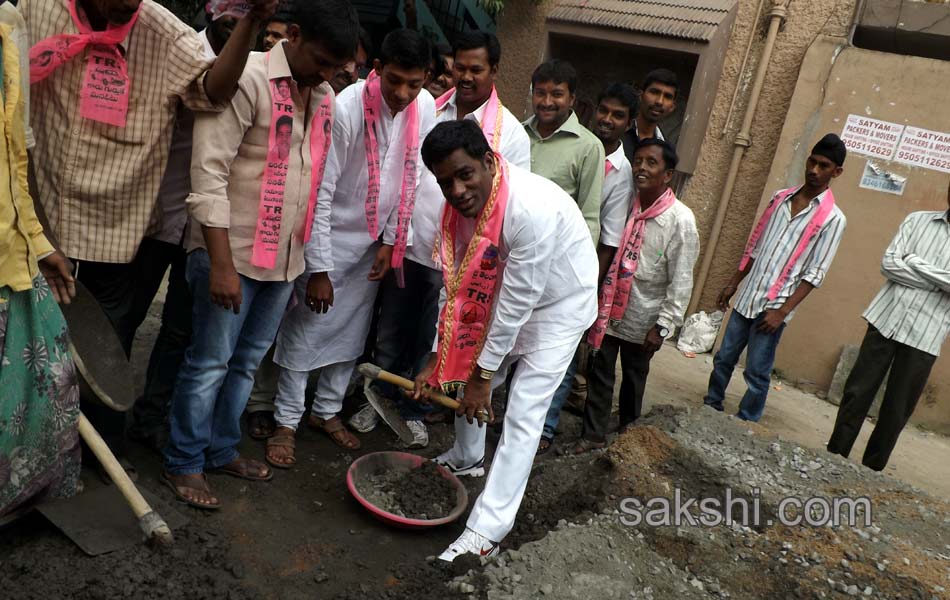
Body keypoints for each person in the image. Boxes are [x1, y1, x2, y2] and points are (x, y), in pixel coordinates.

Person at [20, 0, 278, 462]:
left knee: (107, 340)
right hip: (38, 206)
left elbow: (214, 92)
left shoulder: (163, 32)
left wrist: (255, 21)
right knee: (26, 333)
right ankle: (30, 440)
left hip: (115, 220)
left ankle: (96, 453)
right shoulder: (36, 8)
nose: (127, 8)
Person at [162, 0, 359, 509]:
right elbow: (209, 175)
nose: (329, 74)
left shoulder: (324, 97)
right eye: (323, 60)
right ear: (292, 35)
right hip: (229, 256)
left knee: (246, 364)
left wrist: (312, 264)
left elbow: (312, 184)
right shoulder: (245, 79)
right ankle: (183, 462)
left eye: (338, 67)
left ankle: (221, 450)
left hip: (283, 262)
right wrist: (221, 265)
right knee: (209, 362)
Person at [412, 120, 597, 561]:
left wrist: (483, 374)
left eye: (465, 174)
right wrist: (440, 357)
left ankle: (487, 531)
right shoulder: (457, 213)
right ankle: (466, 456)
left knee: (522, 413)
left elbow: (519, 302)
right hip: (504, 298)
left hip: (559, 306)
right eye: (445, 182)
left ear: (489, 162)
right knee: (461, 375)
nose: (456, 190)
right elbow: (454, 287)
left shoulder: (528, 210)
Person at [348, 31, 531, 448]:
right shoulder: (429, 108)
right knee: (392, 330)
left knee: (437, 340)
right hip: (414, 244)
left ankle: (415, 410)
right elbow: (407, 174)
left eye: (476, 69)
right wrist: (395, 235)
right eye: (459, 68)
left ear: (494, 71)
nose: (465, 77)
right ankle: (377, 398)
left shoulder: (510, 135)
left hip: (463, 262)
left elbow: (508, 197)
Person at [266, 29, 436, 465]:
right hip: (327, 236)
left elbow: (411, 180)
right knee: (306, 329)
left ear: (426, 79)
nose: (402, 93)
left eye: (413, 83)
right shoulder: (345, 107)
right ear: (376, 69)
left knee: (352, 331)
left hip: (374, 242)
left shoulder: (425, 107)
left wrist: (392, 241)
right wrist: (319, 268)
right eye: (394, 80)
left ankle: (326, 411)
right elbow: (320, 188)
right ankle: (286, 420)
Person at [127, 9, 236, 453]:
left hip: (202, 226)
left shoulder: (249, 65)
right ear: (213, 8)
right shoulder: (175, 50)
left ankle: (150, 419)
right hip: (153, 213)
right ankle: (97, 419)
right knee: (126, 317)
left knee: (179, 328)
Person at [704, 134, 848, 422]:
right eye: (813, 162)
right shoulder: (780, 199)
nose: (814, 170)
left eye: (824, 166)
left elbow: (814, 274)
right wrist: (733, 283)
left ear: (836, 172)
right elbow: (755, 247)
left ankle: (747, 420)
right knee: (723, 358)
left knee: (756, 371)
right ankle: (711, 406)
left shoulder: (833, 219)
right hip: (748, 297)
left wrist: (782, 311)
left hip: (775, 307)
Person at [0, 9, 81, 518]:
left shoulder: (7, 24)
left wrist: (36, 239)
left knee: (51, 383)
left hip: (11, 255)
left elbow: (14, 154)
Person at [573, 139, 699, 452]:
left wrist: (664, 326)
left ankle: (629, 441)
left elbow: (682, 280)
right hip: (609, 310)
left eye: (651, 163)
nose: (642, 168)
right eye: (638, 161)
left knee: (633, 378)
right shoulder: (626, 204)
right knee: (600, 373)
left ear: (667, 174)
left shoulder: (680, 220)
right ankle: (592, 436)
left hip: (645, 318)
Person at [538, 82, 638, 454]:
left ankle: (545, 429)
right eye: (604, 111)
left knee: (562, 354)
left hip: (581, 271)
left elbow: (608, 240)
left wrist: (585, 285)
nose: (607, 120)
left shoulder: (622, 173)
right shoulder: (577, 147)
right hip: (547, 261)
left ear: (629, 124)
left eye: (618, 116)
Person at [827, 183, 949, 471]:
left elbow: (905, 265)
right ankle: (832, 457)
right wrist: (938, 282)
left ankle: (871, 472)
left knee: (896, 410)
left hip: (925, 336)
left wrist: (915, 262)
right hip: (886, 320)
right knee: (857, 393)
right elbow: (889, 264)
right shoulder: (917, 220)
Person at [524, 59, 604, 243]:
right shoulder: (517, 134)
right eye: (540, 93)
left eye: (557, 94)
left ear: (572, 99)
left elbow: (589, 218)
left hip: (554, 251)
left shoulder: (589, 147)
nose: (547, 102)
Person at [622, 68, 677, 163]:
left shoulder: (666, 150)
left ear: (672, 107)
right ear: (640, 95)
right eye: (654, 92)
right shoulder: (618, 133)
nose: (659, 101)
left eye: (667, 96)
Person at [329, 26, 371, 94]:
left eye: (358, 67)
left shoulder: (362, 95)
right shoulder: (307, 89)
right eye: (348, 59)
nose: (351, 71)